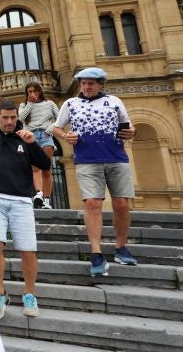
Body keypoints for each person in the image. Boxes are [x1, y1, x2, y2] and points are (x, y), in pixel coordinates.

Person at [53, 67, 138, 277]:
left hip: (116, 159)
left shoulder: (115, 101)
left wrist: (132, 131)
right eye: (83, 83)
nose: (86, 87)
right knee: (92, 203)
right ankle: (96, 253)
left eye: (90, 83)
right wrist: (65, 137)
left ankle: (120, 248)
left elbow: (129, 126)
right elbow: (55, 128)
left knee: (122, 205)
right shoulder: (70, 103)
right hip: (86, 161)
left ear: (101, 84)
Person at [0, 101, 51, 320]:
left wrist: (33, 143)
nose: (9, 122)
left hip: (21, 201)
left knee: (27, 250)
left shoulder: (25, 138)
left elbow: (45, 165)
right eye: (5, 117)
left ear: (18, 118)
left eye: (13, 117)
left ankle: (29, 294)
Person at [19, 82, 59, 209]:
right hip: (31, 136)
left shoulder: (50, 104)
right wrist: (31, 103)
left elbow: (60, 119)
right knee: (35, 168)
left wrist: (51, 128)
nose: (32, 94)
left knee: (47, 169)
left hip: (45, 135)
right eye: (29, 92)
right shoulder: (24, 105)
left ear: (40, 91)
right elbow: (20, 119)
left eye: (34, 91)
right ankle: (39, 194)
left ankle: (46, 200)